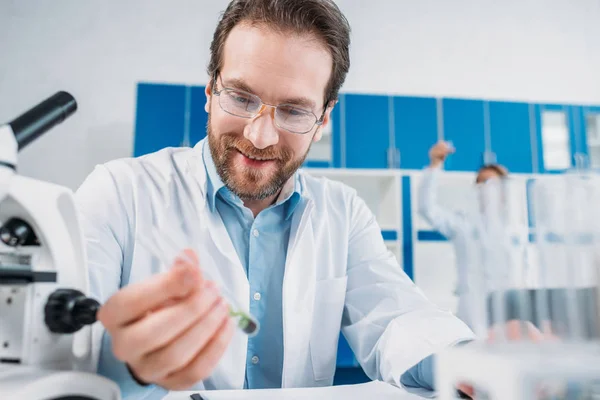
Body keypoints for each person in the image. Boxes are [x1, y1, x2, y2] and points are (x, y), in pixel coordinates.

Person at [75, 1, 475, 398]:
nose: (259, 137)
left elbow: (393, 318)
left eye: (295, 112)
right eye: (241, 97)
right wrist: (131, 369)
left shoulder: (343, 212)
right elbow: (64, 354)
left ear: (323, 119)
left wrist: (468, 363)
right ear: (211, 91)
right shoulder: (118, 193)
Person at [418, 140, 514, 329]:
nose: (482, 187)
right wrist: (435, 165)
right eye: (478, 182)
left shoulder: (515, 228)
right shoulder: (464, 225)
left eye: (488, 182)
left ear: (503, 190)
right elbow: (427, 208)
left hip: (508, 309)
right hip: (472, 311)